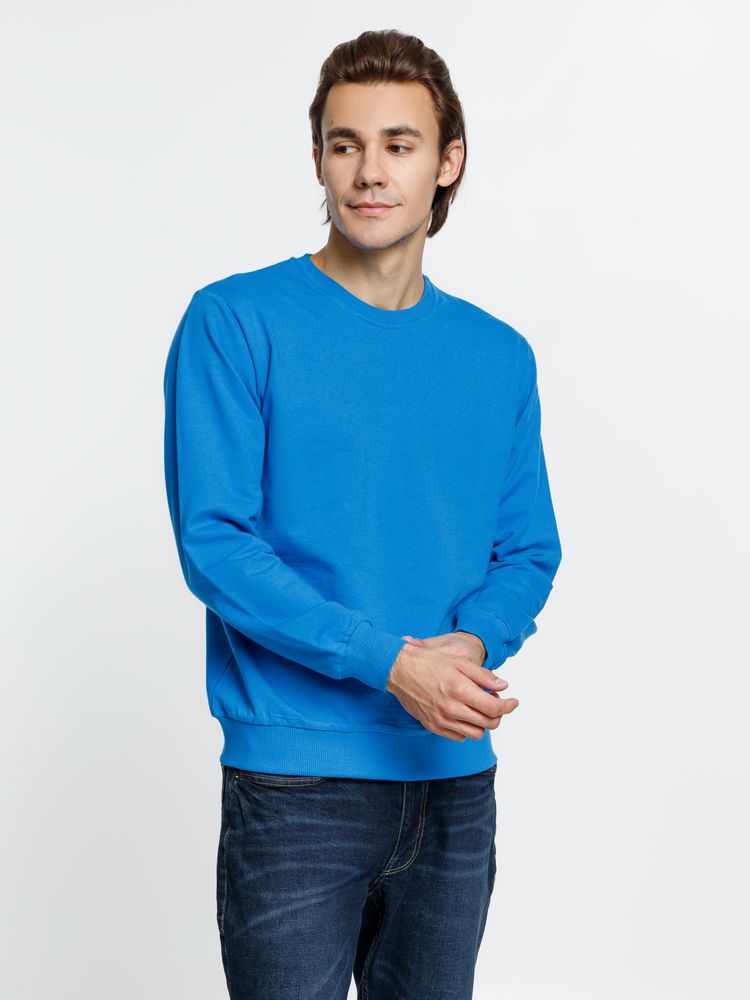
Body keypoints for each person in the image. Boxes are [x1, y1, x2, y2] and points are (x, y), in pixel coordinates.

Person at [163, 27, 562, 1000]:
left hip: (453, 780)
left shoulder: (498, 355)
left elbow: (527, 549)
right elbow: (216, 544)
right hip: (296, 785)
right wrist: (390, 662)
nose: (370, 172)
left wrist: (469, 645)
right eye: (346, 144)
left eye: (399, 144)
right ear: (318, 159)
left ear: (447, 161)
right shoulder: (236, 322)